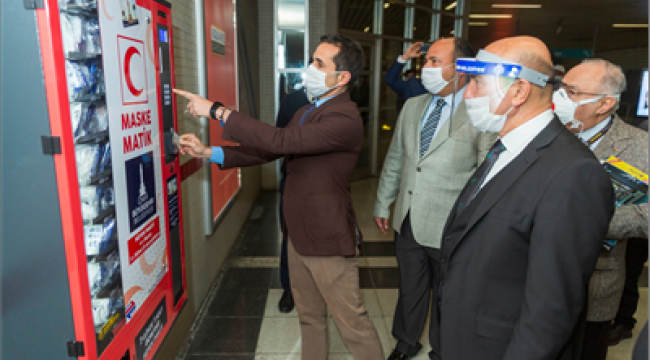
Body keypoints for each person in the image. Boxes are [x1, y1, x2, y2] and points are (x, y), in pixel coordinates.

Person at [174, 34, 384, 360]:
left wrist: (218, 112)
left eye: (319, 63)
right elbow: (268, 149)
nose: (309, 68)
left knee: (353, 324)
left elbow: (279, 139)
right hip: (297, 235)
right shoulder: (307, 110)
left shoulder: (345, 119)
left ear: (342, 78)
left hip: (327, 239)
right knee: (310, 317)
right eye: (312, 59)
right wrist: (208, 151)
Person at [435, 36, 615, 360]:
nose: (468, 94)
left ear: (518, 90)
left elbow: (550, 312)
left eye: (477, 82)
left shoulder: (574, 174)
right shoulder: (505, 146)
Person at [373, 37, 495, 360]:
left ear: (461, 69)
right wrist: (383, 202)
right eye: (425, 61)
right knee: (410, 287)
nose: (425, 68)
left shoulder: (478, 114)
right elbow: (396, 158)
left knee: (448, 294)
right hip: (409, 217)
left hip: (450, 225)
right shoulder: (414, 106)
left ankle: (443, 350)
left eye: (434, 62)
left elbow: (486, 172)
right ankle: (405, 342)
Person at [552, 59, 649, 360]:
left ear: (605, 103)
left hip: (597, 277)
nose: (560, 97)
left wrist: (588, 221)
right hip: (536, 273)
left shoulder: (640, 147)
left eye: (572, 91)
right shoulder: (547, 132)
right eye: (561, 87)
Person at [275, 88, 313, 313]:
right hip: (292, 180)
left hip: (323, 185)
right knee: (290, 239)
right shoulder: (293, 101)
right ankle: (289, 289)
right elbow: (277, 137)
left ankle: (315, 289)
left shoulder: (337, 103)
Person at [385, 42, 428, 111]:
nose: (428, 66)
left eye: (435, 61)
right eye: (425, 62)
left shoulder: (451, 88)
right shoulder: (414, 85)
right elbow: (390, 79)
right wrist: (405, 57)